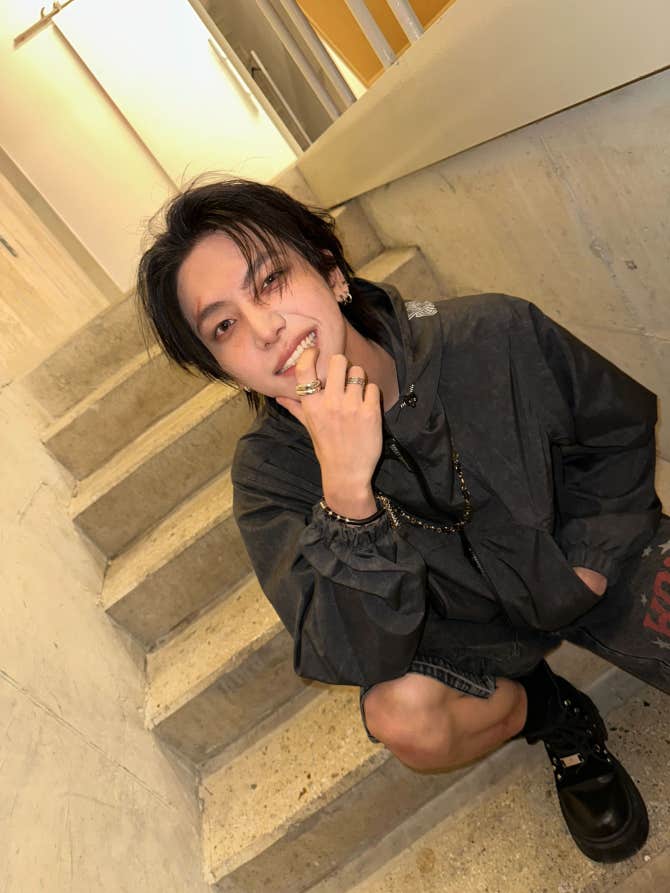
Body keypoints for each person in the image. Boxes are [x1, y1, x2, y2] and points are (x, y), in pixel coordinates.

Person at [137, 178, 669, 864]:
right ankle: (551, 714)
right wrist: (346, 494)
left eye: (270, 280)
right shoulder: (269, 478)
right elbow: (349, 651)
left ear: (331, 272)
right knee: (402, 716)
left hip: (575, 561)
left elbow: (615, 431)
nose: (264, 329)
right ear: (226, 369)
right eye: (224, 326)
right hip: (459, 631)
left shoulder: (490, 332)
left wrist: (591, 558)